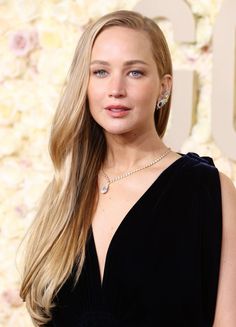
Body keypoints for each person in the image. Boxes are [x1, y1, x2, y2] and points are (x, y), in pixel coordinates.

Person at [19, 10, 236, 327]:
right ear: (85, 83)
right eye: (101, 72)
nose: (116, 89)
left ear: (163, 87)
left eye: (134, 73)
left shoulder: (208, 190)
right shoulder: (64, 192)